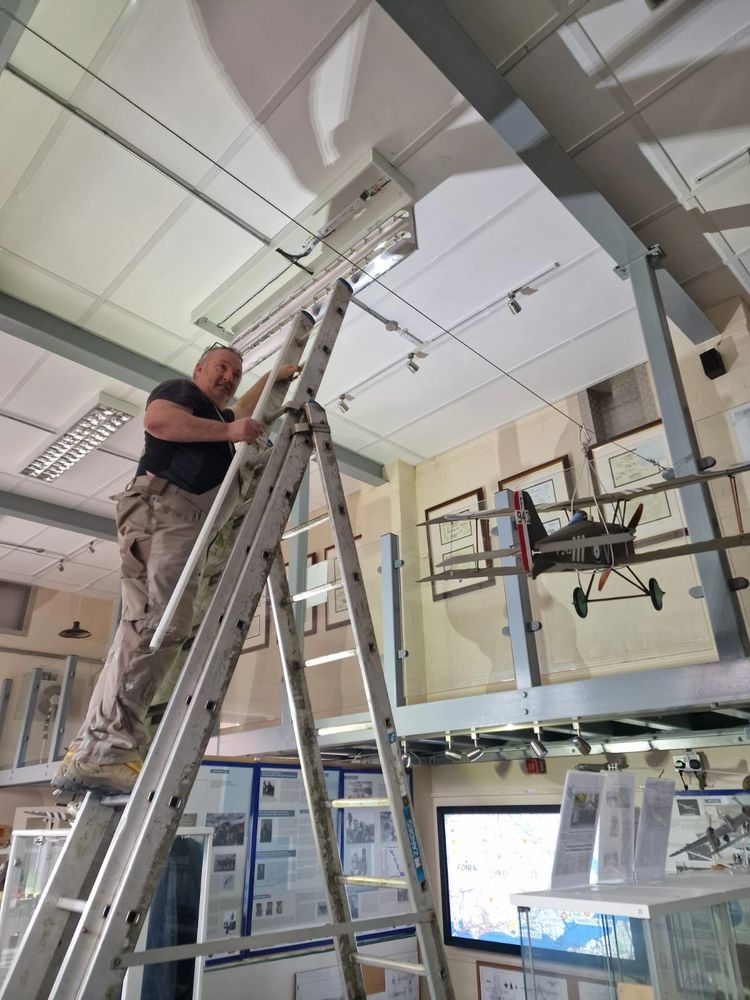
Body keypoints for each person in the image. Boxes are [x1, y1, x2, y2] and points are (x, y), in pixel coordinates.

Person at [54, 344, 299, 795]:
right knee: (158, 626)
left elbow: (240, 415)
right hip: (165, 508)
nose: (229, 377)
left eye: (237, 372)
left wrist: (273, 379)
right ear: (199, 369)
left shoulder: (217, 418)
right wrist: (231, 431)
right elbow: (159, 421)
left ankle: (95, 744)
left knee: (149, 626)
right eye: (221, 367)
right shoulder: (179, 393)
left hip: (178, 518)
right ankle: (104, 751)